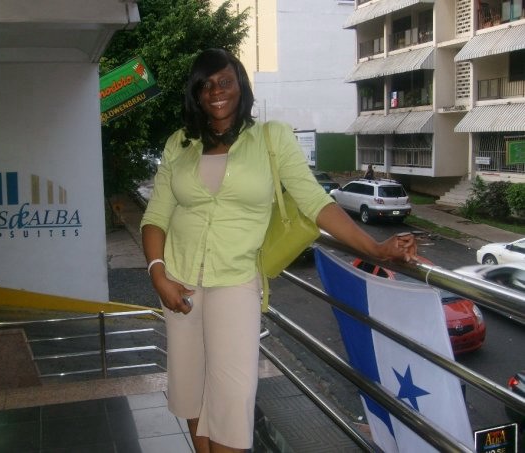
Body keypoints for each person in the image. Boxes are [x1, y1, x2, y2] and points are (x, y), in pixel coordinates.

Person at [140, 48, 417, 453]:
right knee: (193, 393)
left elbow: (315, 201)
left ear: (240, 85)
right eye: (205, 85)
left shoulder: (271, 138)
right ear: (195, 94)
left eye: (224, 81)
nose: (216, 91)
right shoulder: (179, 145)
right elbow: (156, 216)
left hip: (235, 282)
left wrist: (375, 247)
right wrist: (157, 273)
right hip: (178, 283)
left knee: (232, 404)